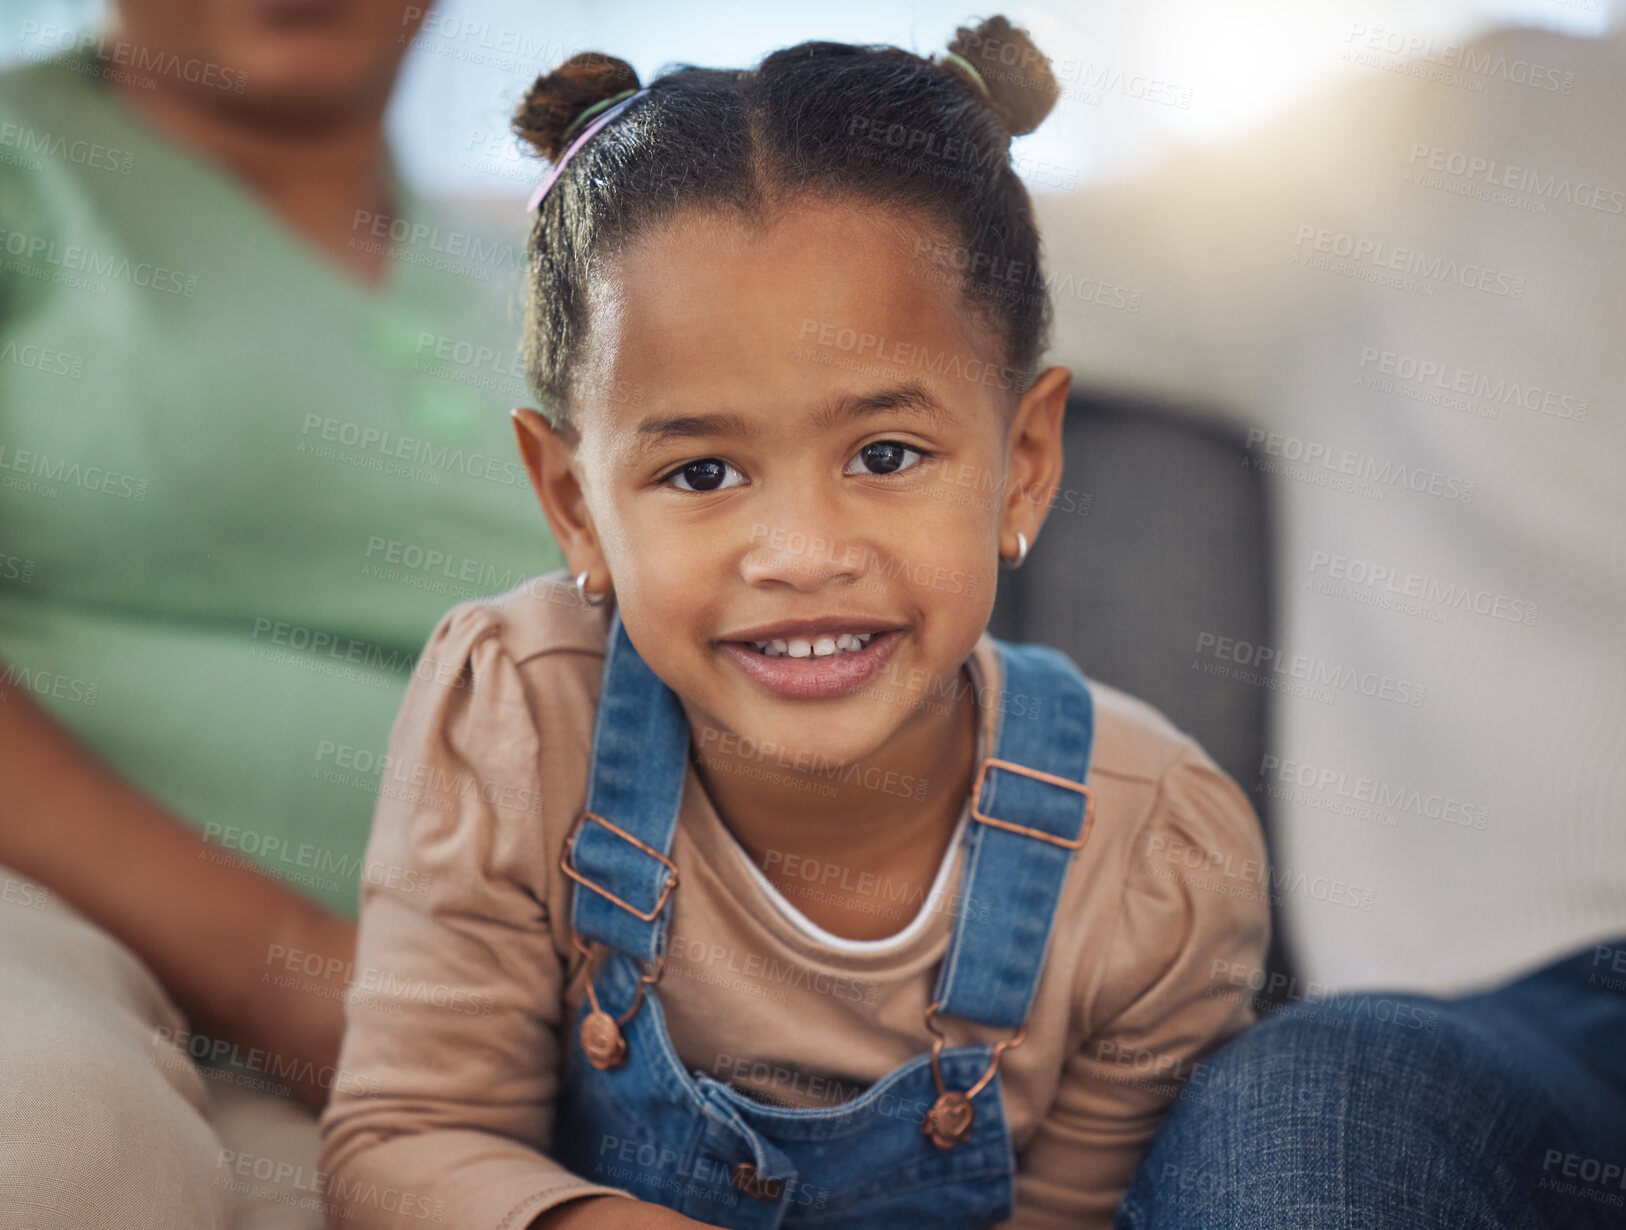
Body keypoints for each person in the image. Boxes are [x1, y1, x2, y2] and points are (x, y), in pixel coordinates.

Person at [316, 17, 1271, 1230]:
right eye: (702, 474)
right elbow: (407, 1144)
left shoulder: (1159, 865)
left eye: (884, 454)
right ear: (575, 506)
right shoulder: (514, 712)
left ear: (1025, 465)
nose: (804, 557)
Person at [1023, 21, 1626, 1228]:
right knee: (1308, 1111)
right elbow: (948, 265)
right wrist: (620, 196)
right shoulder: (1453, 138)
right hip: (1515, 987)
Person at [0, 1, 563, 1225]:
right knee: (57, 1142)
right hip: (47, 936)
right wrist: (298, 978)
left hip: (457, 1043)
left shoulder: (564, 279)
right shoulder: (23, 173)